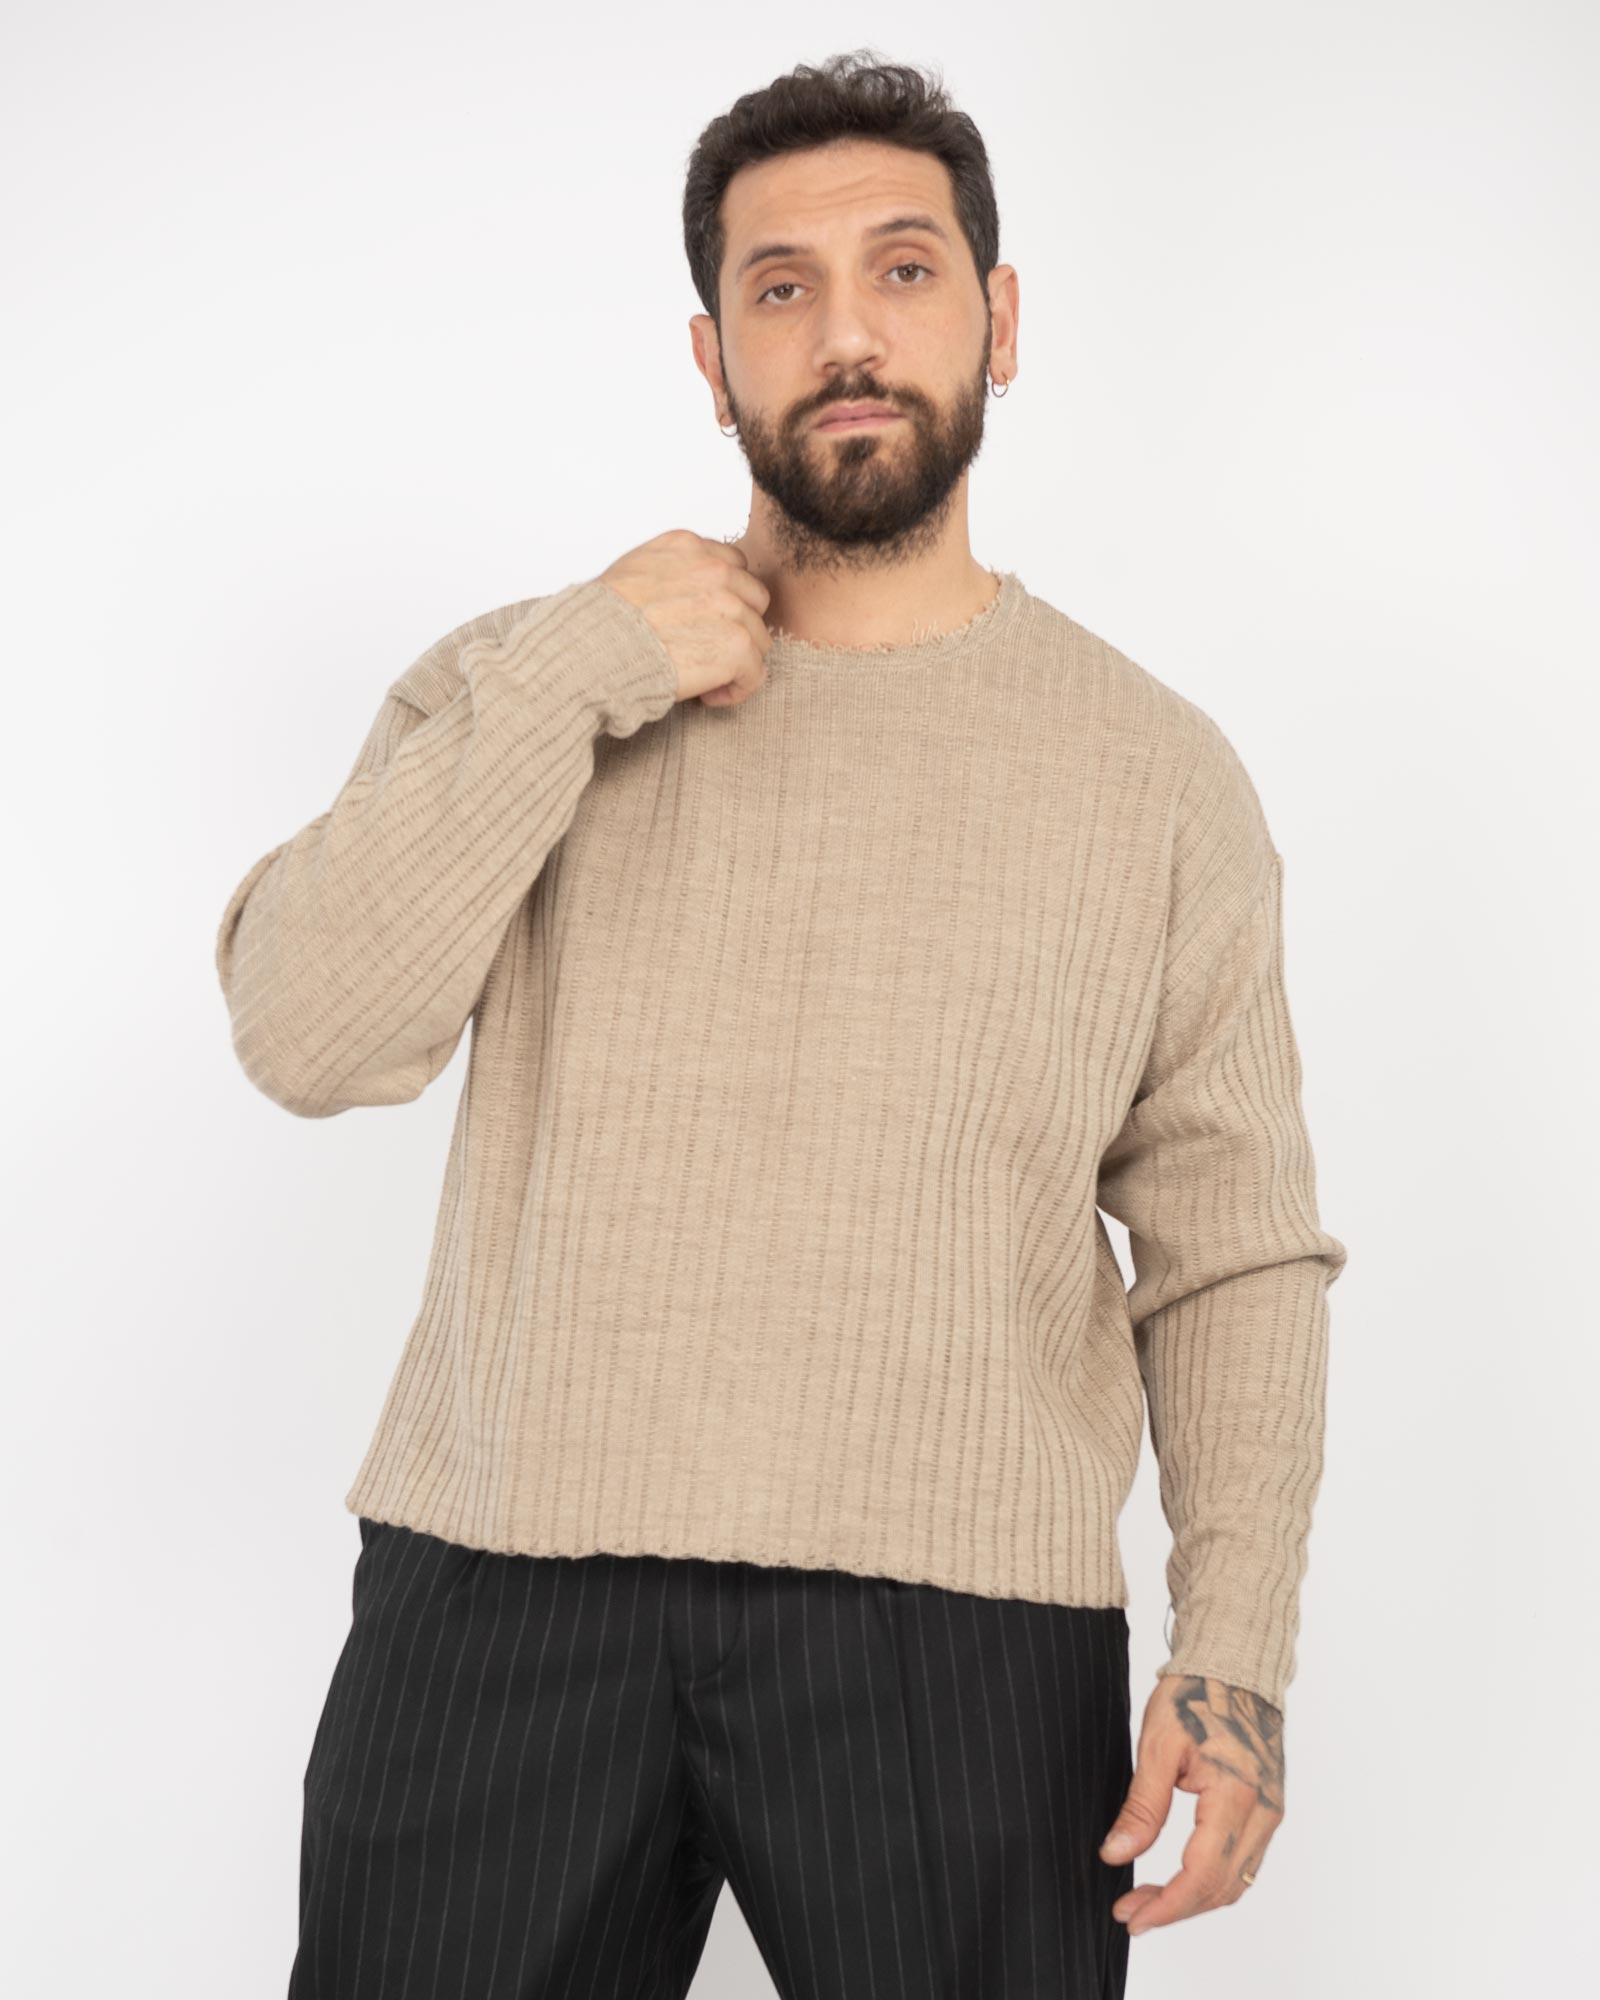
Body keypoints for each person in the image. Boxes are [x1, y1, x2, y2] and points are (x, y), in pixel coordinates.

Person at [216, 50, 1347, 2000]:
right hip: (501, 1593)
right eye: (779, 286)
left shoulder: (1153, 774)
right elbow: (307, 1033)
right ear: (710, 356)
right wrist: (586, 662)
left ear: (999, 321)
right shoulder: (529, 684)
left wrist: (1231, 1645)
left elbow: (1231, 1245)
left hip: (960, 1623)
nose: (844, 335)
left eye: (902, 271)